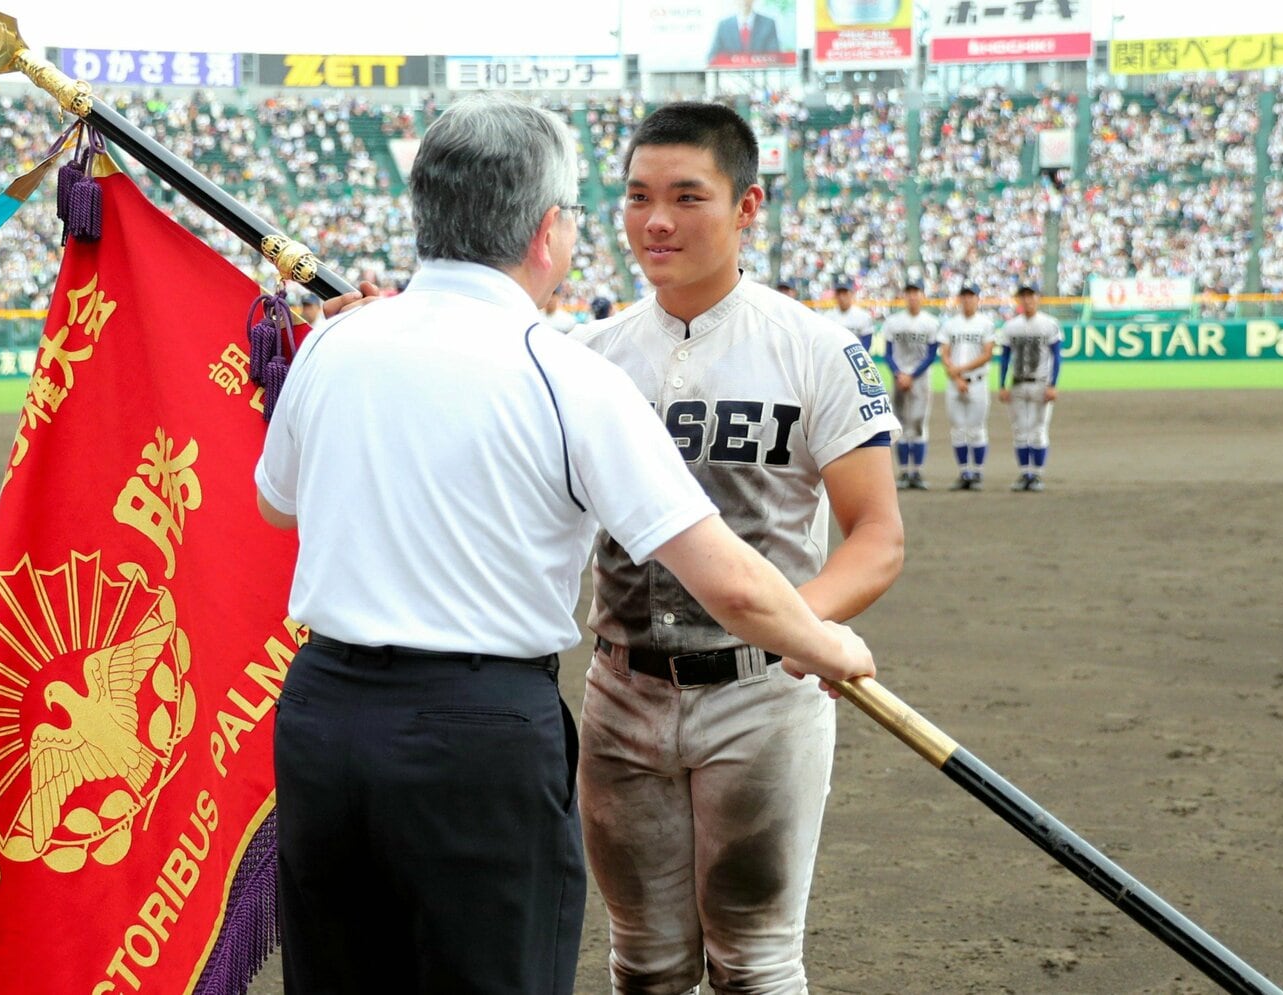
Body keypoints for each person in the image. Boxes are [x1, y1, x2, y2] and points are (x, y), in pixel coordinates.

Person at [254, 93, 877, 995]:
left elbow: (278, 507)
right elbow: (726, 581)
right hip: (475, 730)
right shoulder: (566, 371)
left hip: (324, 717)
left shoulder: (337, 342)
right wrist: (830, 643)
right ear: (549, 230)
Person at [573, 101, 904, 995]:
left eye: (688, 196)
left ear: (748, 206)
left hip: (762, 692)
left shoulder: (819, 350)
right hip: (619, 691)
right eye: (638, 196)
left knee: (755, 962)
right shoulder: (585, 356)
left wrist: (801, 626)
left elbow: (876, 536)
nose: (657, 221)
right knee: (643, 960)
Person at [997, 281, 1062, 492]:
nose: (1027, 300)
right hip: (1017, 384)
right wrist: (1002, 385)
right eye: (1023, 296)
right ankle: (1025, 473)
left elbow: (1057, 356)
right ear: (1019, 299)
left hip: (1040, 383)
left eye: (1031, 295)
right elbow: (1005, 358)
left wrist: (1053, 384)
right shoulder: (1010, 326)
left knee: (1038, 430)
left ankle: (1037, 474)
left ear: (1038, 298)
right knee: (1020, 431)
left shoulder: (1049, 324)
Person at [936, 281, 996, 490]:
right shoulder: (950, 324)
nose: (968, 299)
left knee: (977, 429)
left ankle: (977, 473)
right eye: (965, 295)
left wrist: (960, 371)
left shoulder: (986, 323)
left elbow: (987, 354)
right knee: (958, 430)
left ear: (978, 299)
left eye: (972, 295)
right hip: (955, 383)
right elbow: (944, 352)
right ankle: (964, 472)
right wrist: (956, 377)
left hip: (977, 382)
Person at [880, 279, 940, 490]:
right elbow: (887, 353)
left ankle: (917, 472)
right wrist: (899, 373)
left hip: (920, 380)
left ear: (922, 295)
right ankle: (905, 471)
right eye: (909, 292)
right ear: (904, 296)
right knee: (900, 425)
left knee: (918, 424)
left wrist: (912, 375)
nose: (913, 296)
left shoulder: (931, 322)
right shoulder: (893, 322)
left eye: (916, 292)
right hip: (899, 379)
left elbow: (932, 355)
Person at [708, 0, 781, 60]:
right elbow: (711, 57)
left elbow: (775, 56)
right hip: (730, 75)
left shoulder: (768, 24)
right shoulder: (723, 26)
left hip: (760, 75)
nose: (744, 1)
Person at [831, 275, 875, 351]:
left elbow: (867, 344)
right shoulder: (827, 317)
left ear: (852, 293)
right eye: (839, 293)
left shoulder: (863, 316)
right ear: (835, 295)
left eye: (845, 293)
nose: (841, 297)